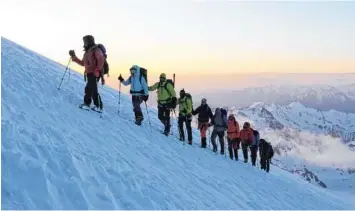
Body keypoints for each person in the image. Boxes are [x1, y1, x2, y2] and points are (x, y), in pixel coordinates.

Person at [69, 35, 104, 112]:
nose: (84, 43)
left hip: (94, 73)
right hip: (89, 73)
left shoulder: (96, 50)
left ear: (90, 41)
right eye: (84, 41)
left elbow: (101, 60)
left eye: (85, 41)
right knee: (92, 89)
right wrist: (73, 57)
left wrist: (96, 70)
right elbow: (82, 63)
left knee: (89, 89)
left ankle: (88, 104)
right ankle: (97, 106)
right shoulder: (87, 52)